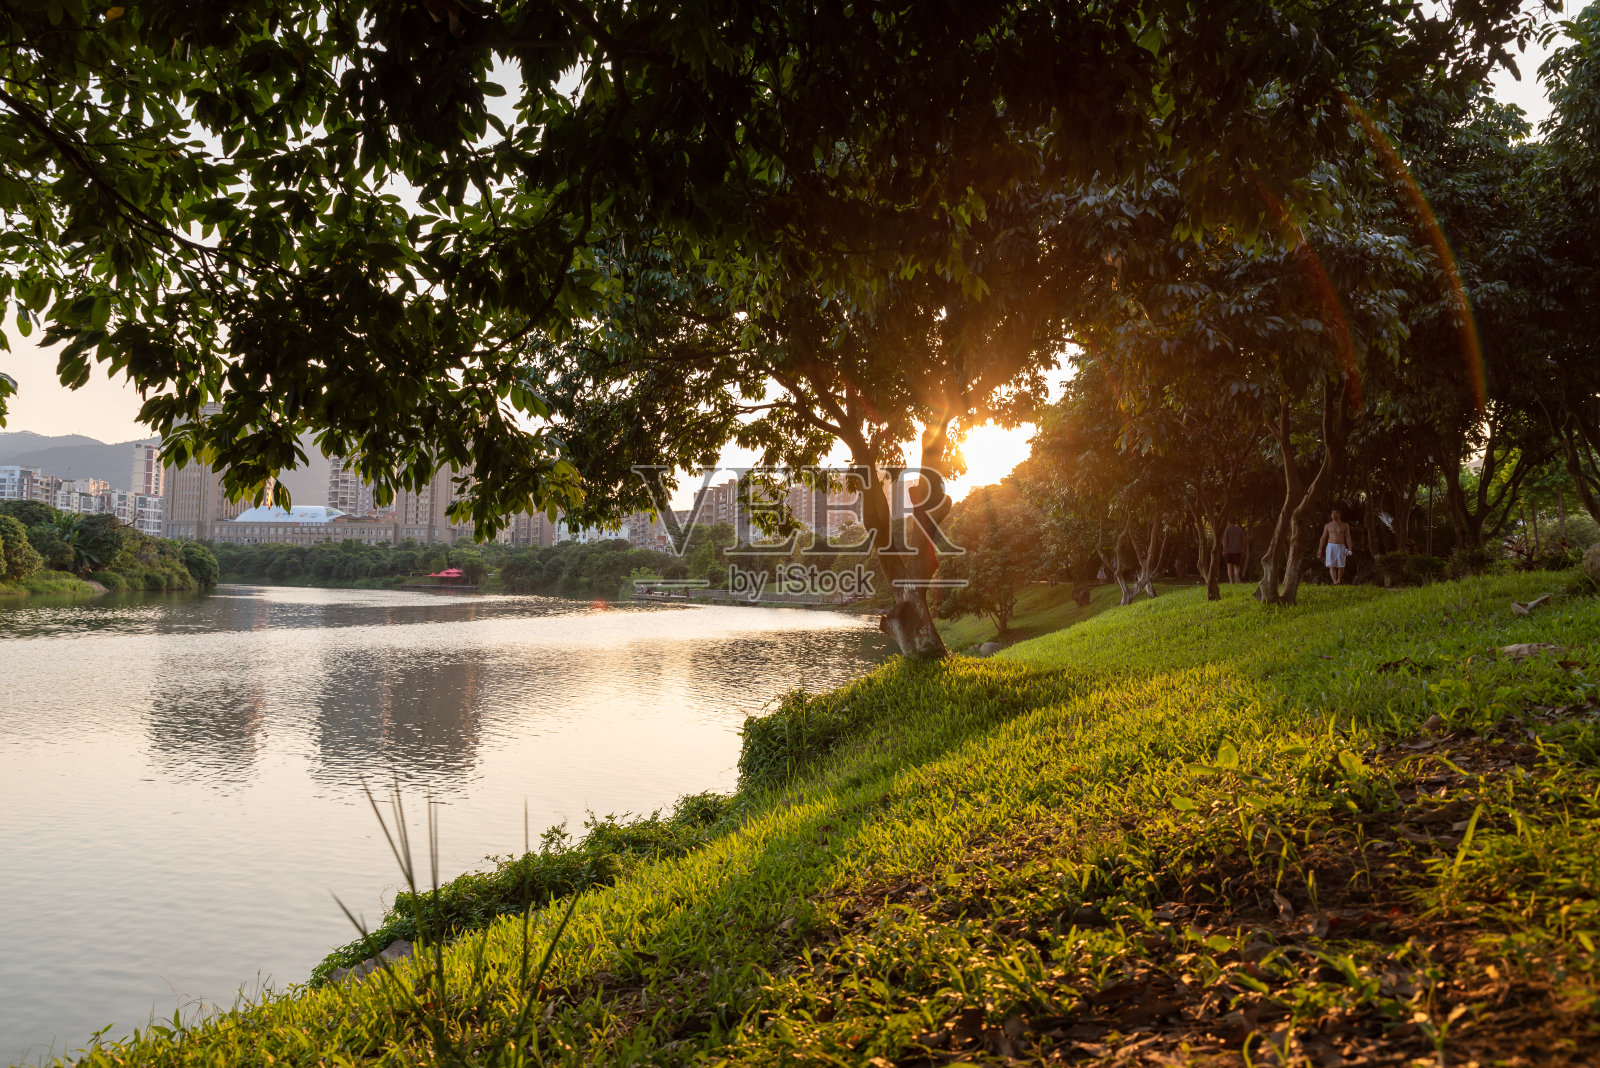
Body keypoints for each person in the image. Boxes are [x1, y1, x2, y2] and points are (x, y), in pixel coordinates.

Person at [1318, 507, 1352, 585]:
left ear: (1339, 514)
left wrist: (1350, 548)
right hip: (1331, 546)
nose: (1334, 515)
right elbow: (1323, 538)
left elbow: (1348, 537)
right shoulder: (1328, 525)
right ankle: (1335, 582)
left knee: (1341, 566)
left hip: (1341, 546)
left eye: (1336, 513)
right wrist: (1320, 549)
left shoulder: (1345, 525)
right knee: (1331, 565)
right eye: (1332, 513)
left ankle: (1339, 580)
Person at [1221, 519, 1245, 584]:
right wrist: (1242, 549)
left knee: (1229, 566)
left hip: (1229, 550)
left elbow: (1225, 540)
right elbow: (1242, 540)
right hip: (1237, 550)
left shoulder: (1227, 529)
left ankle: (1231, 581)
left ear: (1228, 522)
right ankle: (1237, 576)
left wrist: (1224, 550)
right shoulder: (1239, 529)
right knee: (1236, 565)